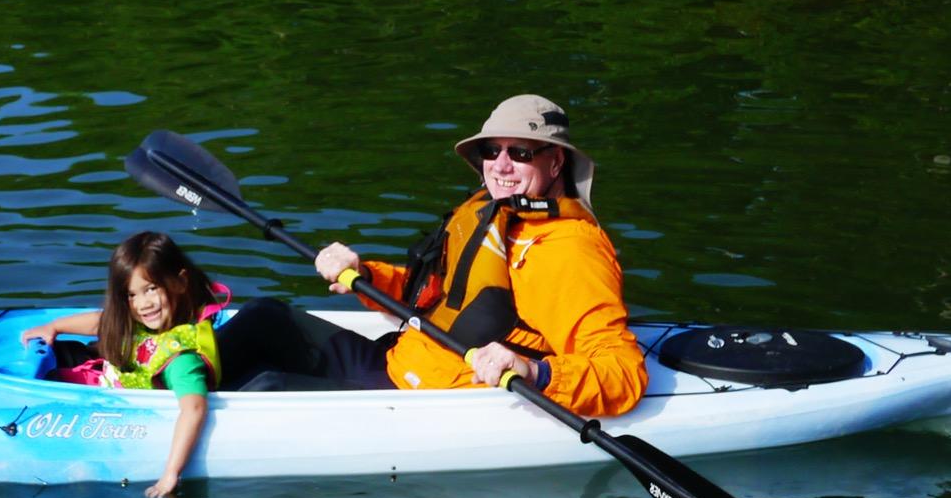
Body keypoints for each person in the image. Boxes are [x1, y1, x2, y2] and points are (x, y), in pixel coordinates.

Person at [217, 94, 647, 417]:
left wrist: (535, 372)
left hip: (432, 401)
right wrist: (362, 272)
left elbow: (623, 371)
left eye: (519, 153)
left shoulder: (569, 249)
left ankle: (177, 418)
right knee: (265, 316)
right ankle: (159, 380)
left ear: (555, 164)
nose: (500, 165)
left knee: (263, 389)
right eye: (490, 151)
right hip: (398, 361)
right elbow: (432, 296)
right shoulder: (489, 214)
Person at [22, 231, 221, 498]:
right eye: (131, 294)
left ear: (180, 282)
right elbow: (101, 321)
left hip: (106, 400)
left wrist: (170, 474)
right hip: (102, 377)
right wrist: (54, 326)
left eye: (151, 289)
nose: (143, 304)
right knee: (59, 354)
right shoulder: (142, 319)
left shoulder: (180, 360)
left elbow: (194, 409)